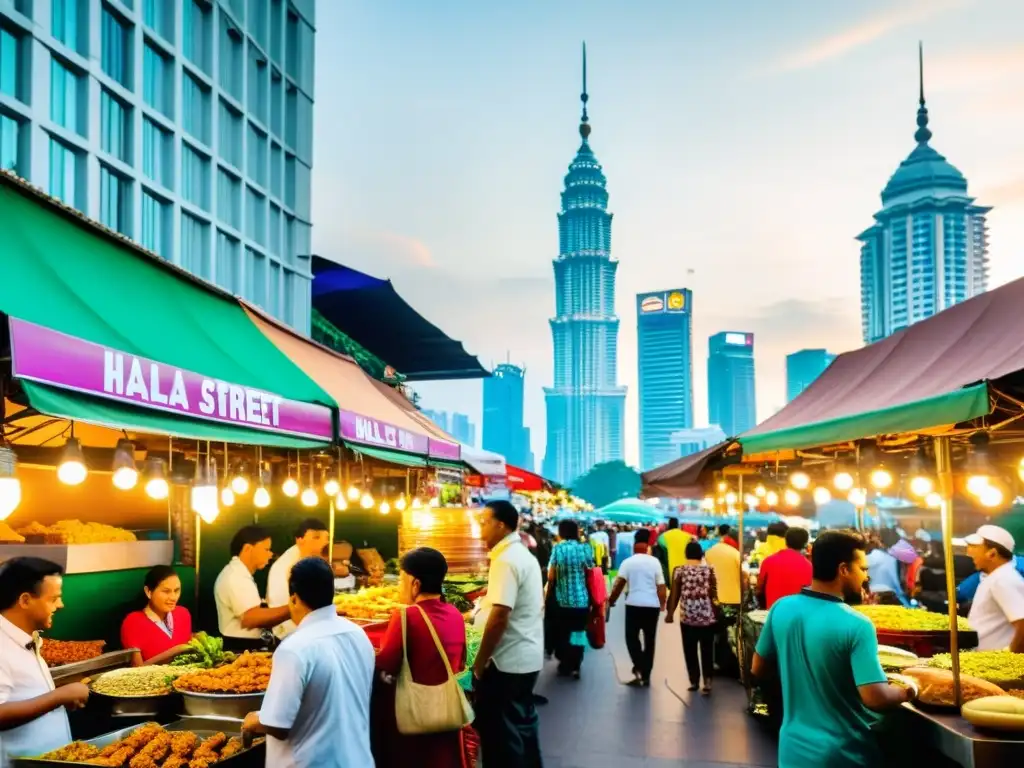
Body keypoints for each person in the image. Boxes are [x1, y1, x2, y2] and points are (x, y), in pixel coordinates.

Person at [752, 530, 913, 768]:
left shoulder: (780, 608)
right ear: (843, 570)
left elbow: (757, 668)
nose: (865, 578)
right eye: (863, 569)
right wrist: (908, 690)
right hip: (842, 754)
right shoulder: (857, 625)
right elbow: (875, 697)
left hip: (792, 748)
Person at [243, 557, 373, 767]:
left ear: (293, 599)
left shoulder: (294, 649)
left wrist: (252, 721)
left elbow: (277, 724)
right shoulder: (358, 634)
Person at [374, 548, 467, 768]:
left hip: (414, 715)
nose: (399, 588)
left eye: (401, 581)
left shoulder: (407, 616)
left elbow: (385, 664)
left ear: (415, 584)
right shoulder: (455, 613)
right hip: (445, 712)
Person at [472, 500, 544, 768]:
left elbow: (500, 616)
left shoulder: (506, 560)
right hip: (526, 657)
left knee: (501, 736)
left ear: (500, 525)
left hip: (507, 661)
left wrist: (479, 665)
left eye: (484, 522)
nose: (480, 527)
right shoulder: (522, 555)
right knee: (523, 728)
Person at [0, 557, 89, 766]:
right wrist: (58, 696)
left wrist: (61, 697)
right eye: (54, 598)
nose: (61, 605)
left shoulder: (27, 637)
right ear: (25, 600)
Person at [214, 525, 290, 652]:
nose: (270, 554)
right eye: (266, 549)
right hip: (240, 648)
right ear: (248, 548)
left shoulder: (240, 574)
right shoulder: (236, 576)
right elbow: (251, 618)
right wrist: (294, 609)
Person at [608, 529, 665, 687]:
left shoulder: (628, 562)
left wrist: (611, 600)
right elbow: (661, 585)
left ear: (635, 544)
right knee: (650, 640)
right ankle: (645, 674)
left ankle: (639, 666)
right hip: (651, 606)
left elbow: (619, 583)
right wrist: (663, 606)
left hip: (633, 605)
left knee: (631, 638)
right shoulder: (655, 562)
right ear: (648, 545)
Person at [666, 540, 717, 695]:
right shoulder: (709, 570)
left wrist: (670, 614)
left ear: (686, 554)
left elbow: (674, 594)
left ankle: (694, 680)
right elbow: (714, 594)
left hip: (687, 617)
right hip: (707, 617)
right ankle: (707, 681)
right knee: (707, 649)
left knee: (690, 649)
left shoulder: (679, 571)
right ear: (701, 554)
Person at [547, 519, 595, 679]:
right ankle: (576, 665)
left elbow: (551, 575)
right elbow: (591, 571)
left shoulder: (558, 549)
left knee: (563, 632)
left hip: (562, 601)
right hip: (582, 600)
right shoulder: (585, 548)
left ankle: (564, 663)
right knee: (579, 633)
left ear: (561, 532)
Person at [267, 519, 331, 639]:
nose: (323, 543)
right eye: (316, 538)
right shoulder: (284, 567)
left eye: (326, 538)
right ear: (299, 540)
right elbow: (284, 607)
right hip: (289, 632)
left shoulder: (313, 561)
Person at [965, 525, 1024, 652]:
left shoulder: (1004, 579)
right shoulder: (995, 577)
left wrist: (1011, 656)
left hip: (997, 666)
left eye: (975, 547)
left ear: (992, 553)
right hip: (983, 660)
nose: (969, 552)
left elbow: (1022, 623)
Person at [120, 565, 194, 665]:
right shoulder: (133, 622)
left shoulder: (183, 614)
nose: (173, 597)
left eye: (176, 591)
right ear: (148, 592)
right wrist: (174, 651)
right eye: (166, 591)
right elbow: (137, 670)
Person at [705, 524, 743, 677]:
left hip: (713, 601)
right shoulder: (736, 554)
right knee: (732, 635)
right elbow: (744, 578)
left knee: (714, 634)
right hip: (733, 599)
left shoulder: (709, 553)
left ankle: (715, 664)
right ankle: (731, 666)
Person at [757, 527, 812, 609]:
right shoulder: (809, 566)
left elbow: (759, 588)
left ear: (785, 541)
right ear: (805, 544)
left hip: (773, 611)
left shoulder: (768, 561)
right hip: (798, 613)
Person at [656, 517, 691, 583]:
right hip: (685, 570)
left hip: (670, 570)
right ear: (678, 525)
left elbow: (662, 549)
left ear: (669, 525)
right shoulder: (687, 536)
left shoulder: (662, 537)